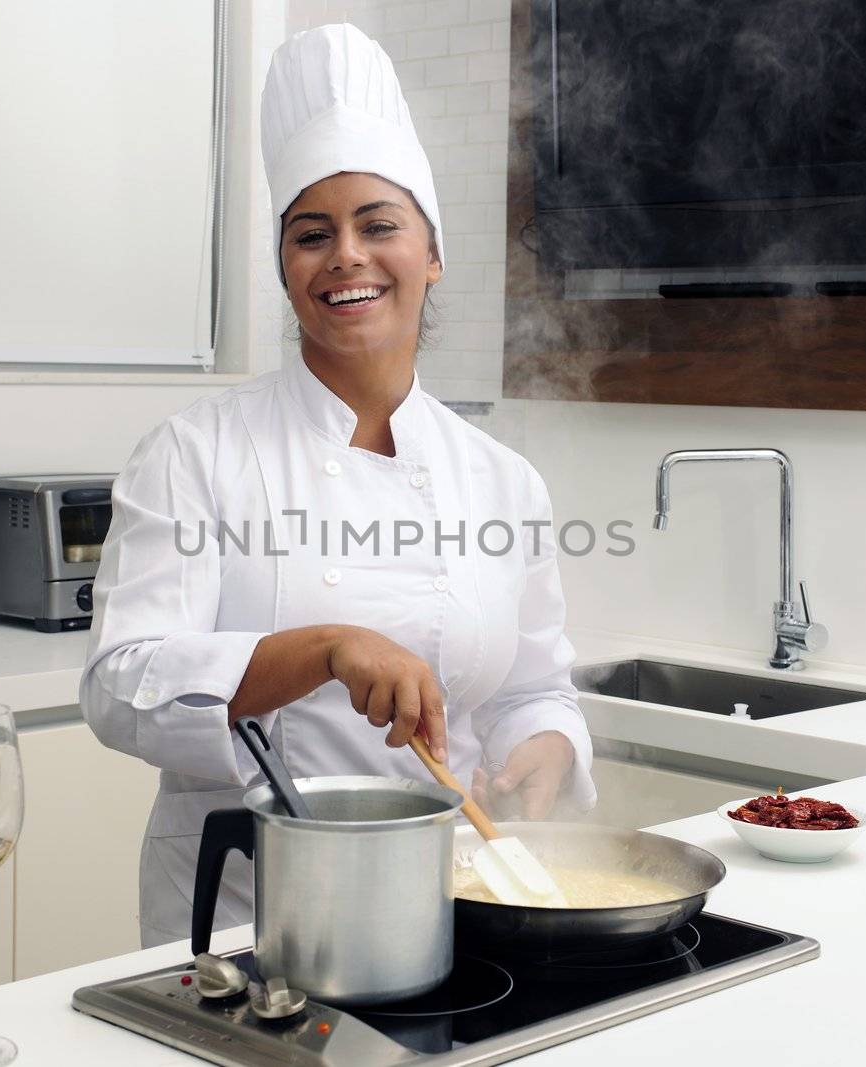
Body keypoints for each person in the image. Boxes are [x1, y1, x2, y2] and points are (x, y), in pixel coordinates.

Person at [81, 23, 595, 948]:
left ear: (432, 255)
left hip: (454, 898)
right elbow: (122, 686)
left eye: (379, 225)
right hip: (246, 912)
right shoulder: (195, 453)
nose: (346, 256)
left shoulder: (502, 482)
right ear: (287, 271)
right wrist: (323, 648)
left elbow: (531, 692)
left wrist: (543, 756)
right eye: (311, 235)